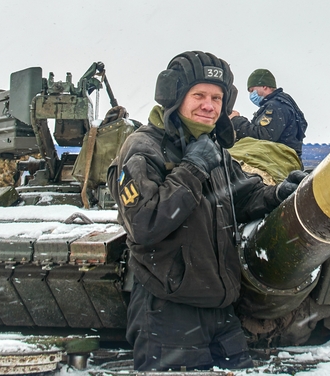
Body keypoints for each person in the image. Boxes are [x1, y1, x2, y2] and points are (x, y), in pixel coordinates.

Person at [107, 51, 306, 372]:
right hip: (168, 312)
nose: (209, 105)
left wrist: (279, 193)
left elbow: (244, 197)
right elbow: (145, 223)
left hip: (221, 310)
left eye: (217, 97)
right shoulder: (144, 148)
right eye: (198, 95)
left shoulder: (212, 148)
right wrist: (193, 168)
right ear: (175, 97)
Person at [229, 68, 308, 158]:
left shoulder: (276, 107)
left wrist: (236, 121)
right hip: (282, 157)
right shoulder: (281, 103)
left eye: (252, 90)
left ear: (264, 87)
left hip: (278, 159)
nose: (251, 95)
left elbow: (264, 137)